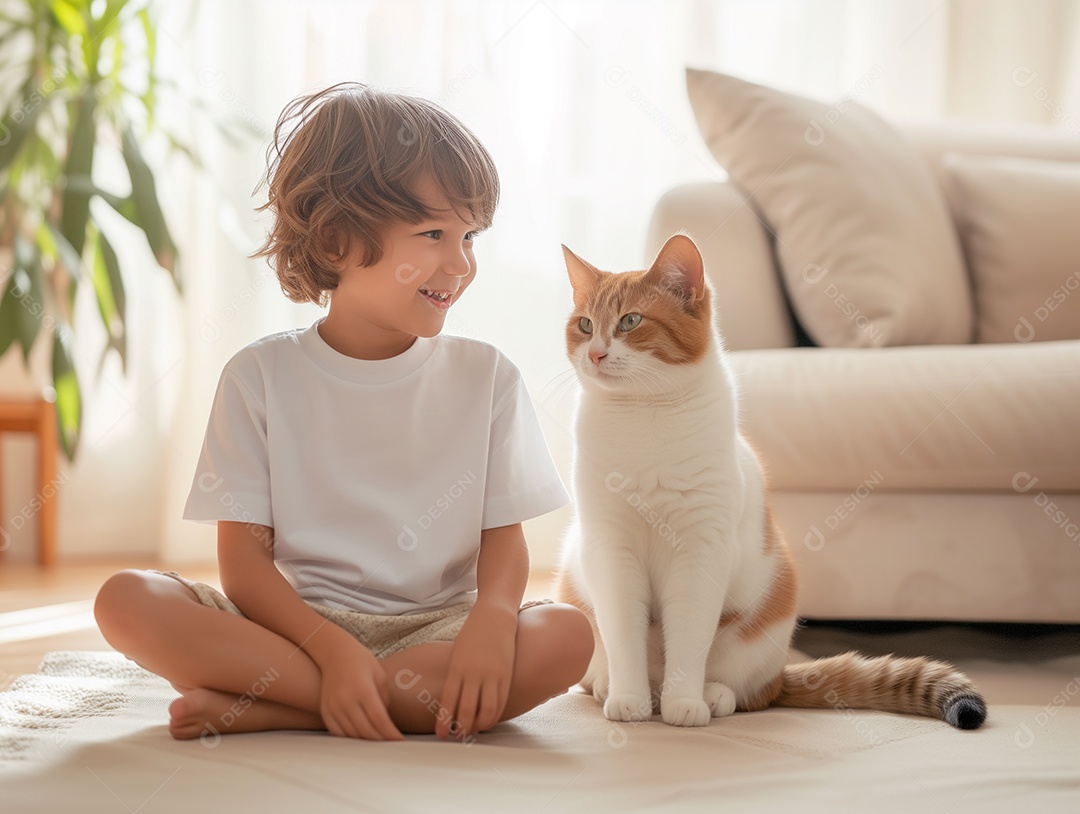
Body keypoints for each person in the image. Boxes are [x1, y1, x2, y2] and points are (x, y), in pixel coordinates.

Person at [94, 82, 593, 743]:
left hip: (436, 630)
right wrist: (333, 652)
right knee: (125, 601)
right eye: (434, 233)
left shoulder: (488, 377)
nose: (460, 263)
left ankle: (280, 709)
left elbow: (505, 539)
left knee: (565, 636)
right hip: (294, 631)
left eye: (469, 236)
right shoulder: (259, 378)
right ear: (335, 243)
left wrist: (494, 622)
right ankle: (334, 695)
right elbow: (243, 565)